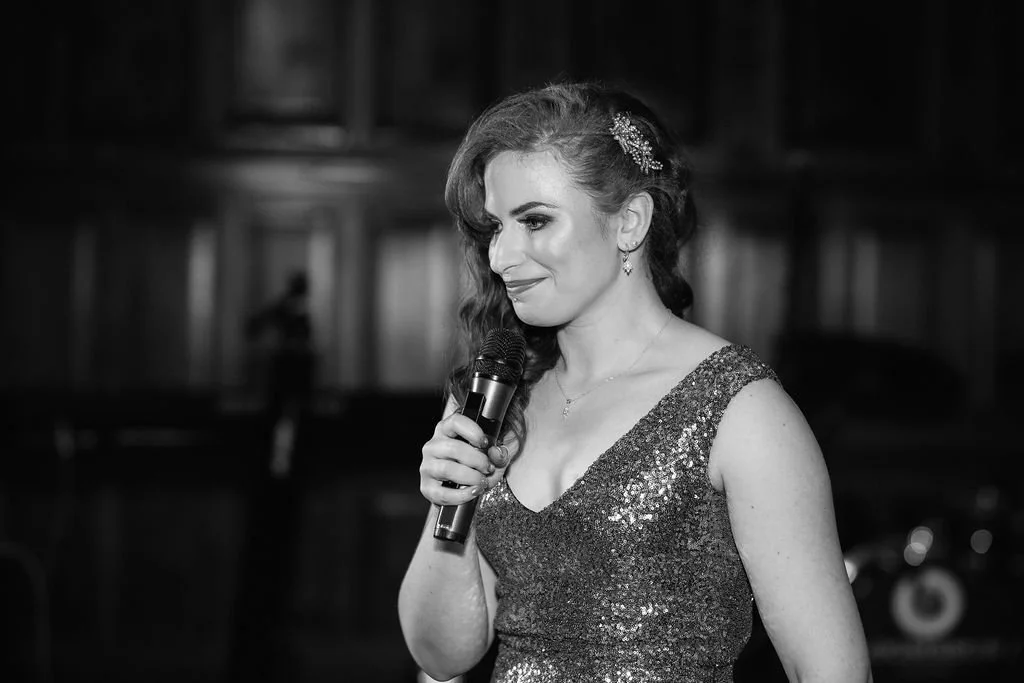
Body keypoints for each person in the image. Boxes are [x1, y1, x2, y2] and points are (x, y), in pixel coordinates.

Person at [397, 81, 872, 683]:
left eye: (535, 221)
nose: (501, 257)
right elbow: (441, 657)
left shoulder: (739, 409)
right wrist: (451, 506)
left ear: (630, 222)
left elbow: (830, 670)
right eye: (495, 227)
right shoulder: (493, 397)